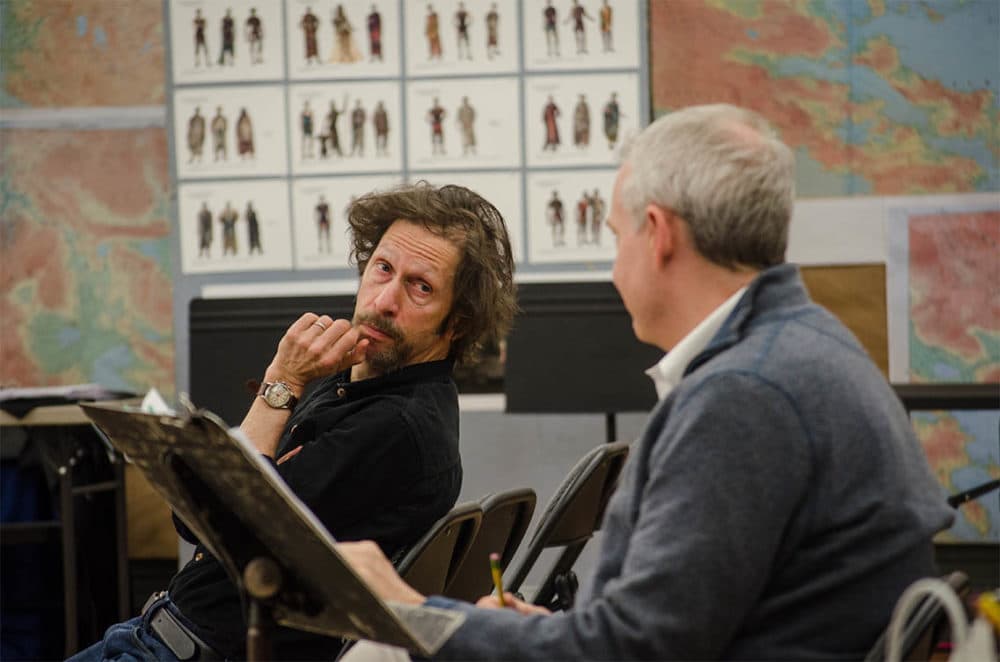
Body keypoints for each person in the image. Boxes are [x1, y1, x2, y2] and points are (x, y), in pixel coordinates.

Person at [335, 104, 955, 660]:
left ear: (657, 235)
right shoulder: (808, 343)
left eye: (613, 235)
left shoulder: (743, 396)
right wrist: (527, 633)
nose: (613, 264)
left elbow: (639, 650)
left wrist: (409, 609)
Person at [67, 182, 518, 662]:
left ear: (457, 323)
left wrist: (280, 381)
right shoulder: (355, 373)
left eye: (420, 287)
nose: (385, 300)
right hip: (154, 631)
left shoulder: (399, 428)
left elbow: (207, 520)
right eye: (383, 268)